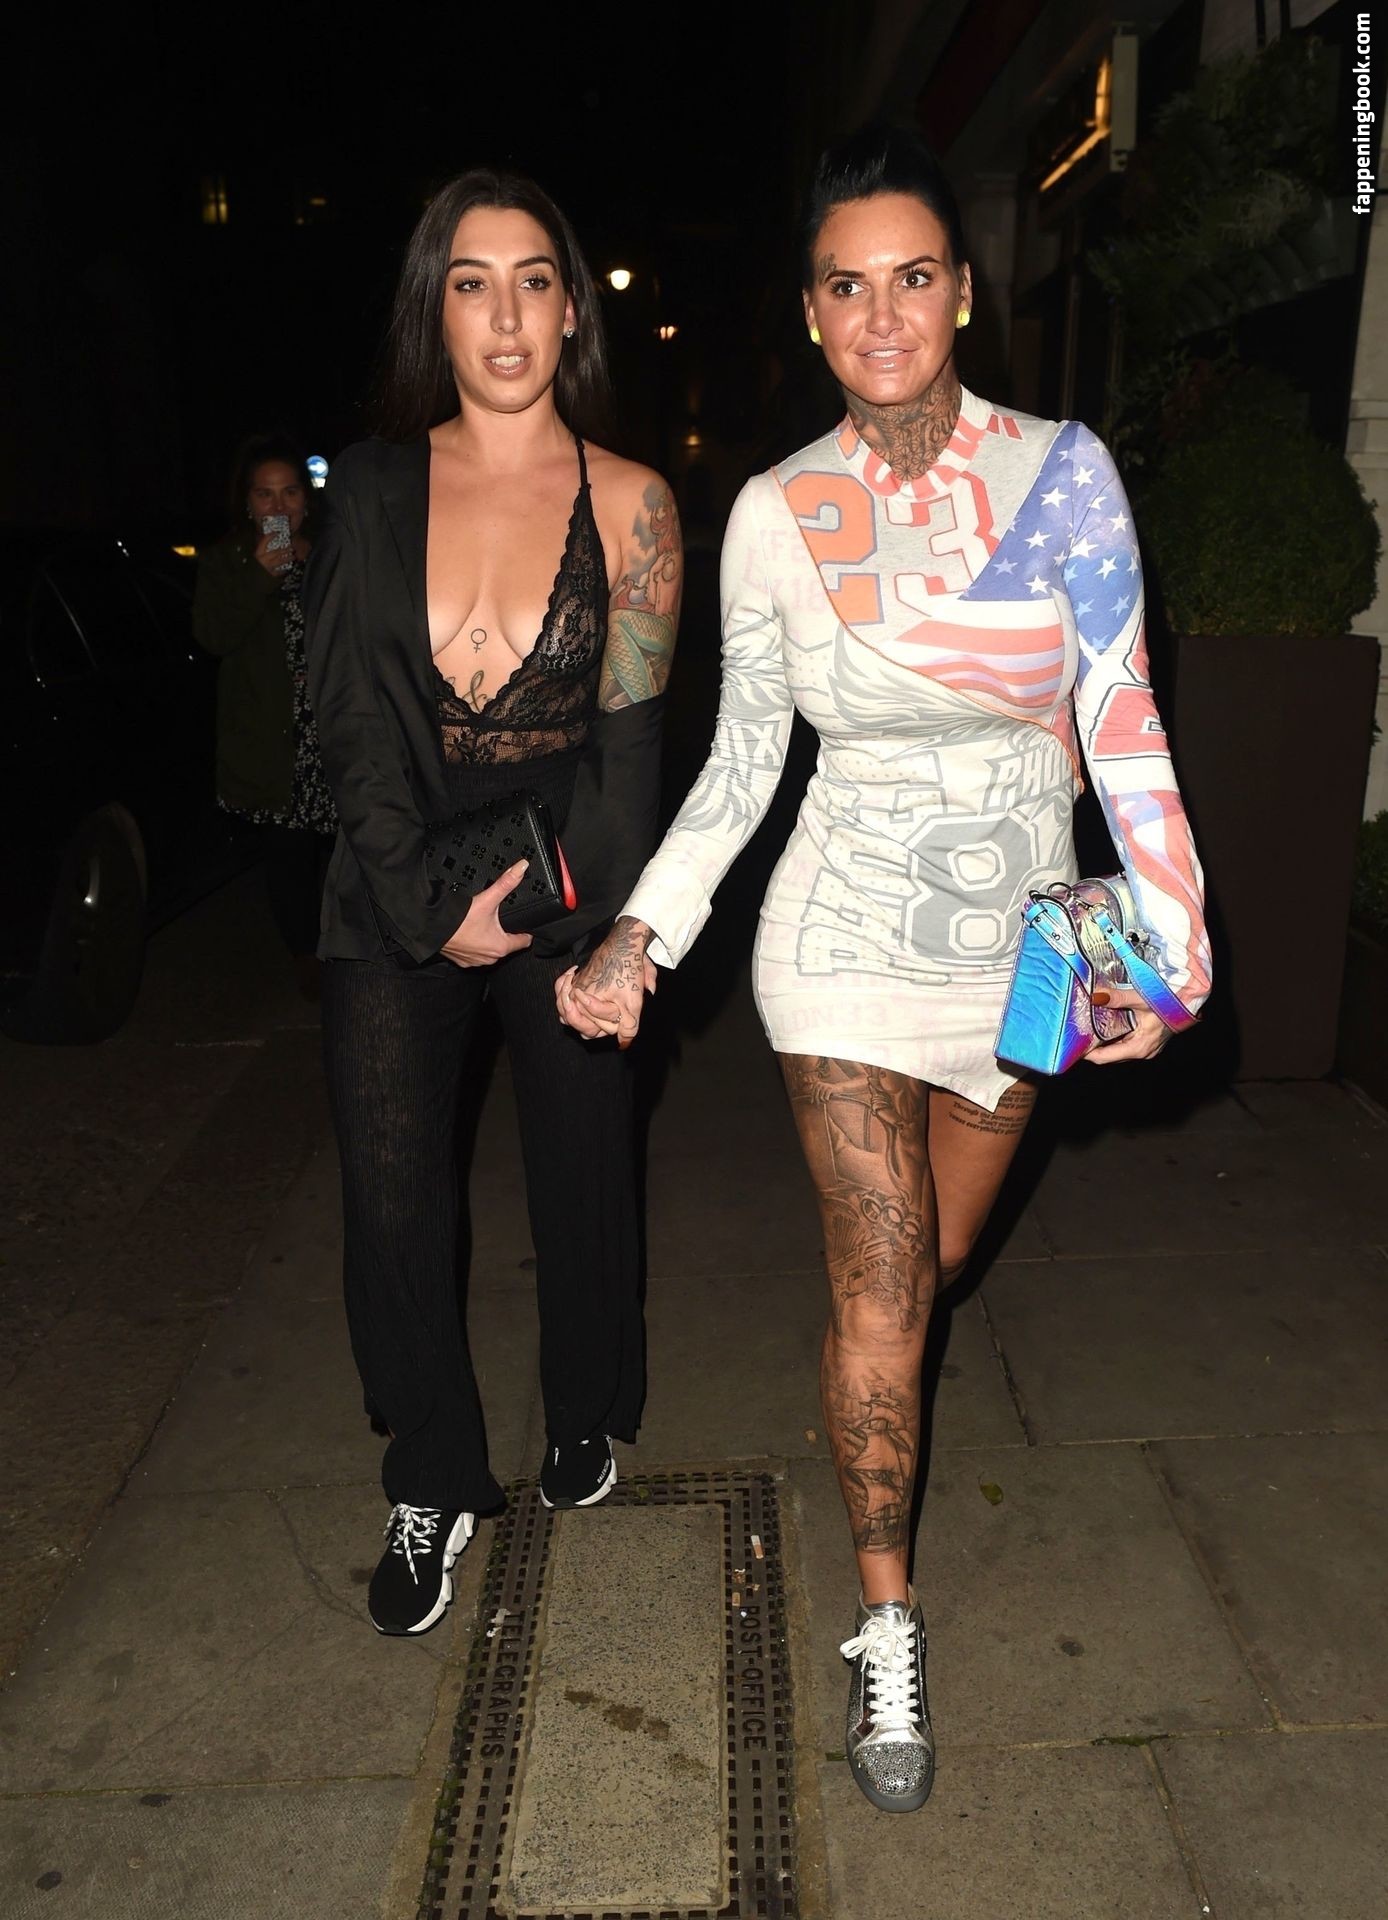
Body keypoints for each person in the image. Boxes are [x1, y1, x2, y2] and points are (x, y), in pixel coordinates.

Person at [557, 122, 1210, 1813]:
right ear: (810, 313)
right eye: (846, 287)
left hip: (1016, 959)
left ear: (962, 291)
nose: (881, 315)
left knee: (934, 1268)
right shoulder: (775, 513)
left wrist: (1171, 951)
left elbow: (1121, 715)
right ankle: (886, 1623)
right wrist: (646, 926)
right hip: (836, 938)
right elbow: (739, 759)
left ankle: (877, 1399)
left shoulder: (1062, 474)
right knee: (881, 1281)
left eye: (911, 278)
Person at [302, 168, 681, 1637]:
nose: (506, 315)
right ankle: (433, 1472)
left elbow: (629, 769)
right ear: (435, 308)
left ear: (571, 310)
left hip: (565, 877)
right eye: (472, 283)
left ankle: (582, 1403)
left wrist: (544, 922)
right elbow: (347, 721)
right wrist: (423, 909)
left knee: (582, 1166)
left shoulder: (636, 506)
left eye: (533, 281)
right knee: (392, 1198)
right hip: (395, 883)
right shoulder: (369, 486)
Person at [193, 436, 337, 996]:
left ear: (306, 498)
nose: (278, 506)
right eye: (264, 494)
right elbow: (213, 636)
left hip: (335, 731)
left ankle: (356, 951)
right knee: (289, 857)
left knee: (352, 850)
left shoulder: (331, 552)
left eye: (289, 492)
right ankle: (307, 956)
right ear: (247, 503)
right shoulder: (227, 560)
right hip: (275, 738)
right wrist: (258, 574)